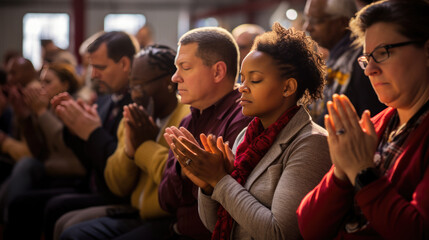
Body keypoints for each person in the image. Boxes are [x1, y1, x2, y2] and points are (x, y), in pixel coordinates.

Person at [167, 22, 332, 240]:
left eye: (255, 80)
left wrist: (220, 181)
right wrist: (208, 187)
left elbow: (280, 233)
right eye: (242, 79)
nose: (242, 87)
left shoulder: (311, 143)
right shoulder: (246, 136)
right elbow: (215, 224)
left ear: (287, 87)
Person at [297, 1, 429, 239]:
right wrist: (341, 173)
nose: (370, 70)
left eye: (383, 53)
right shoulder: (376, 125)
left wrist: (361, 172)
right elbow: (309, 227)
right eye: (367, 58)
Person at [3, 31, 137, 240]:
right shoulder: (105, 101)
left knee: (56, 210)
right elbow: (87, 159)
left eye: (100, 67)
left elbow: (118, 171)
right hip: (92, 184)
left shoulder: (135, 106)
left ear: (124, 64)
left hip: (114, 194)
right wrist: (74, 129)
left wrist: (91, 132)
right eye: (92, 67)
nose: (92, 75)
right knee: (22, 203)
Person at [55, 44, 190, 240]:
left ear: (168, 82)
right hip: (136, 211)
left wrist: (146, 146)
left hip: (168, 218)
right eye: (132, 86)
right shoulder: (132, 118)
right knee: (70, 230)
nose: (135, 94)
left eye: (141, 86)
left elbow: (176, 184)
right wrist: (130, 149)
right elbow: (117, 185)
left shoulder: (186, 119)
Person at [158, 26, 253, 240]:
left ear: (218, 71)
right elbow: (164, 201)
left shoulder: (243, 118)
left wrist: (191, 168)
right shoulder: (187, 121)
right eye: (176, 68)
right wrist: (185, 171)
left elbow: (224, 204)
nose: (175, 78)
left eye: (185, 67)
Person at [0, 62, 85, 225]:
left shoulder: (74, 105)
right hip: (50, 168)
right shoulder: (46, 106)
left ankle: (9, 224)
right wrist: (24, 116)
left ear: (65, 85)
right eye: (41, 81)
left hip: (71, 175)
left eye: (48, 82)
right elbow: (37, 150)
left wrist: (40, 112)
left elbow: (63, 143)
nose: (42, 87)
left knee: (25, 169)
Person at [304, 0, 385, 126]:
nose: (307, 27)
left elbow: (372, 120)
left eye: (316, 21)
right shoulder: (335, 57)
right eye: (308, 19)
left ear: (342, 23)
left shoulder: (362, 61)